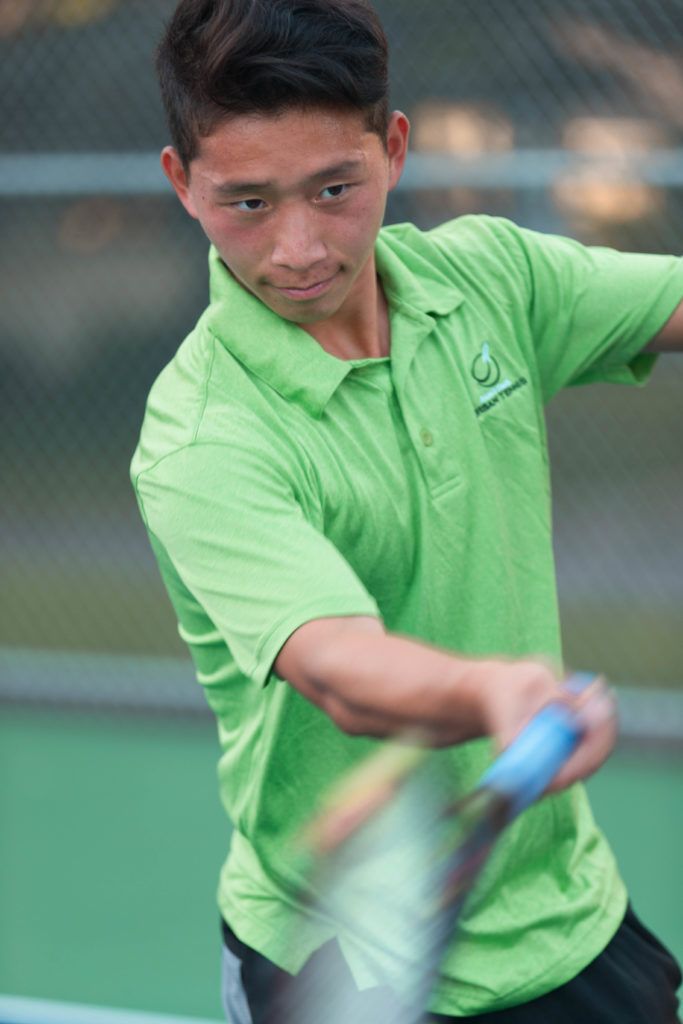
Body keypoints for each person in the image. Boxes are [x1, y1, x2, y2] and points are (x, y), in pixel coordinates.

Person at [130, 0, 683, 1019]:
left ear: (392, 150)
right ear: (181, 183)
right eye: (247, 203)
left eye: (333, 189)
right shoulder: (202, 435)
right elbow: (339, 665)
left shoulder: (488, 280)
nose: (298, 247)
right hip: (344, 955)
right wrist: (489, 691)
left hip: (569, 919)